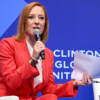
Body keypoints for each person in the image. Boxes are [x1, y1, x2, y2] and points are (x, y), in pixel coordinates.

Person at [0, 2, 92, 100]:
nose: (37, 21)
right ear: (24, 22)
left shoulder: (47, 54)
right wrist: (33, 60)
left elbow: (48, 89)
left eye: (41, 18)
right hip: (11, 98)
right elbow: (11, 82)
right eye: (31, 17)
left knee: (50, 97)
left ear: (45, 24)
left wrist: (74, 83)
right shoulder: (7, 45)